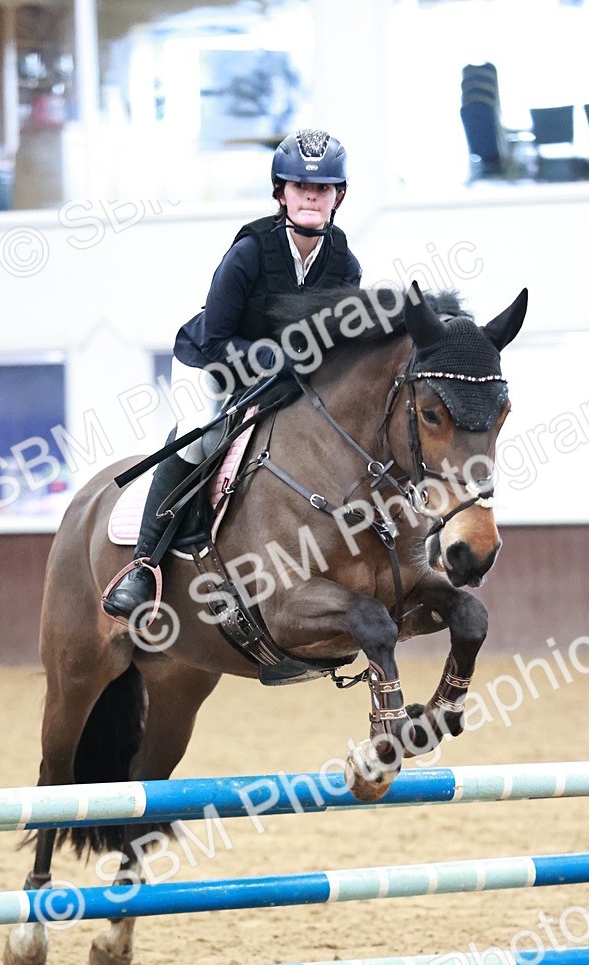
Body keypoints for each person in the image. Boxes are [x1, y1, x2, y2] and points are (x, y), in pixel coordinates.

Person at [103, 128, 362, 622]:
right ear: (280, 192)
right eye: (299, 185)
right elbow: (217, 341)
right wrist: (277, 358)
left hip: (292, 384)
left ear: (338, 197)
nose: (311, 195)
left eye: (323, 188)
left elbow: (338, 348)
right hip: (218, 370)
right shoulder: (249, 252)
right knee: (194, 444)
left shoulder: (344, 264)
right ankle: (143, 569)